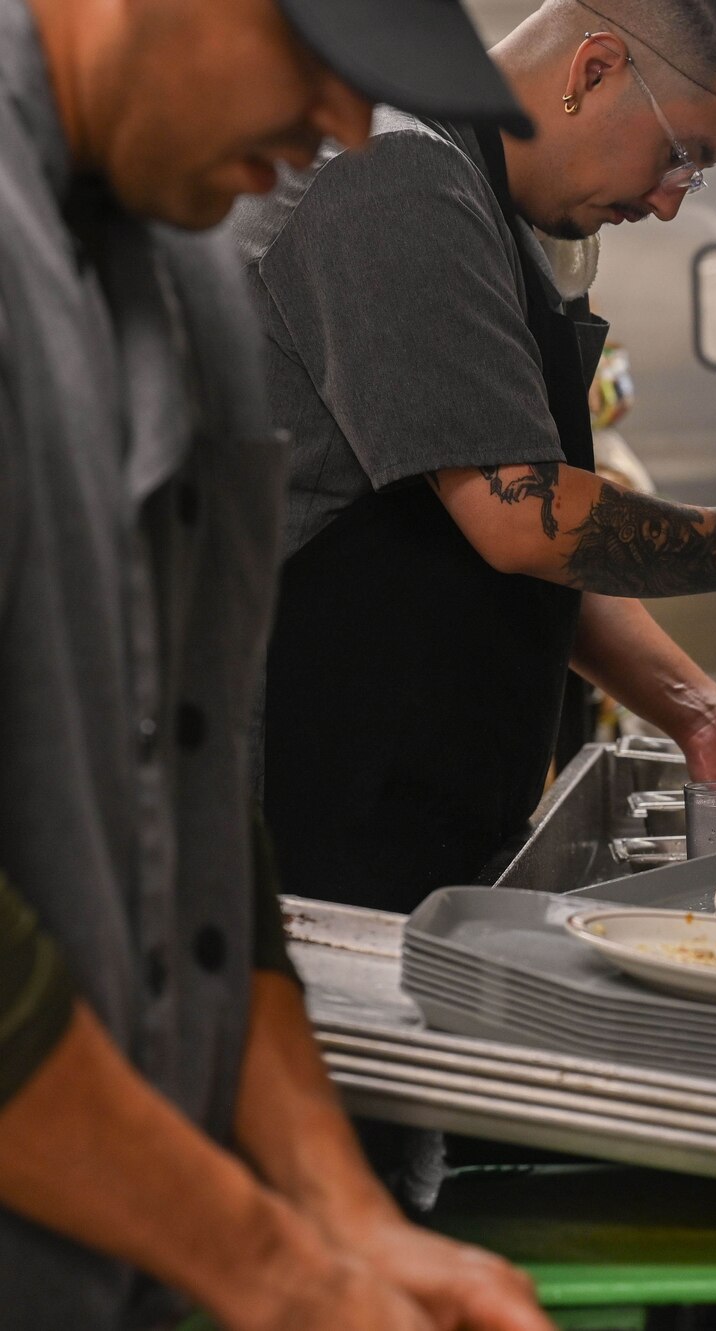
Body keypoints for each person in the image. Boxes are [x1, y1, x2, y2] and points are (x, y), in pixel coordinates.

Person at [0, 0, 563, 1324]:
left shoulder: (189, 264)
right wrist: (273, 1266)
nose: (346, 129)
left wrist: (344, 1216)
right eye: (321, 62)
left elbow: (197, 801)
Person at [230, 0, 716, 913]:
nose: (671, 201)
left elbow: (522, 543)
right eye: (684, 155)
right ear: (592, 70)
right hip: (301, 818)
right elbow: (527, 516)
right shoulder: (392, 173)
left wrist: (700, 712)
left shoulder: (484, 209)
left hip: (409, 803)